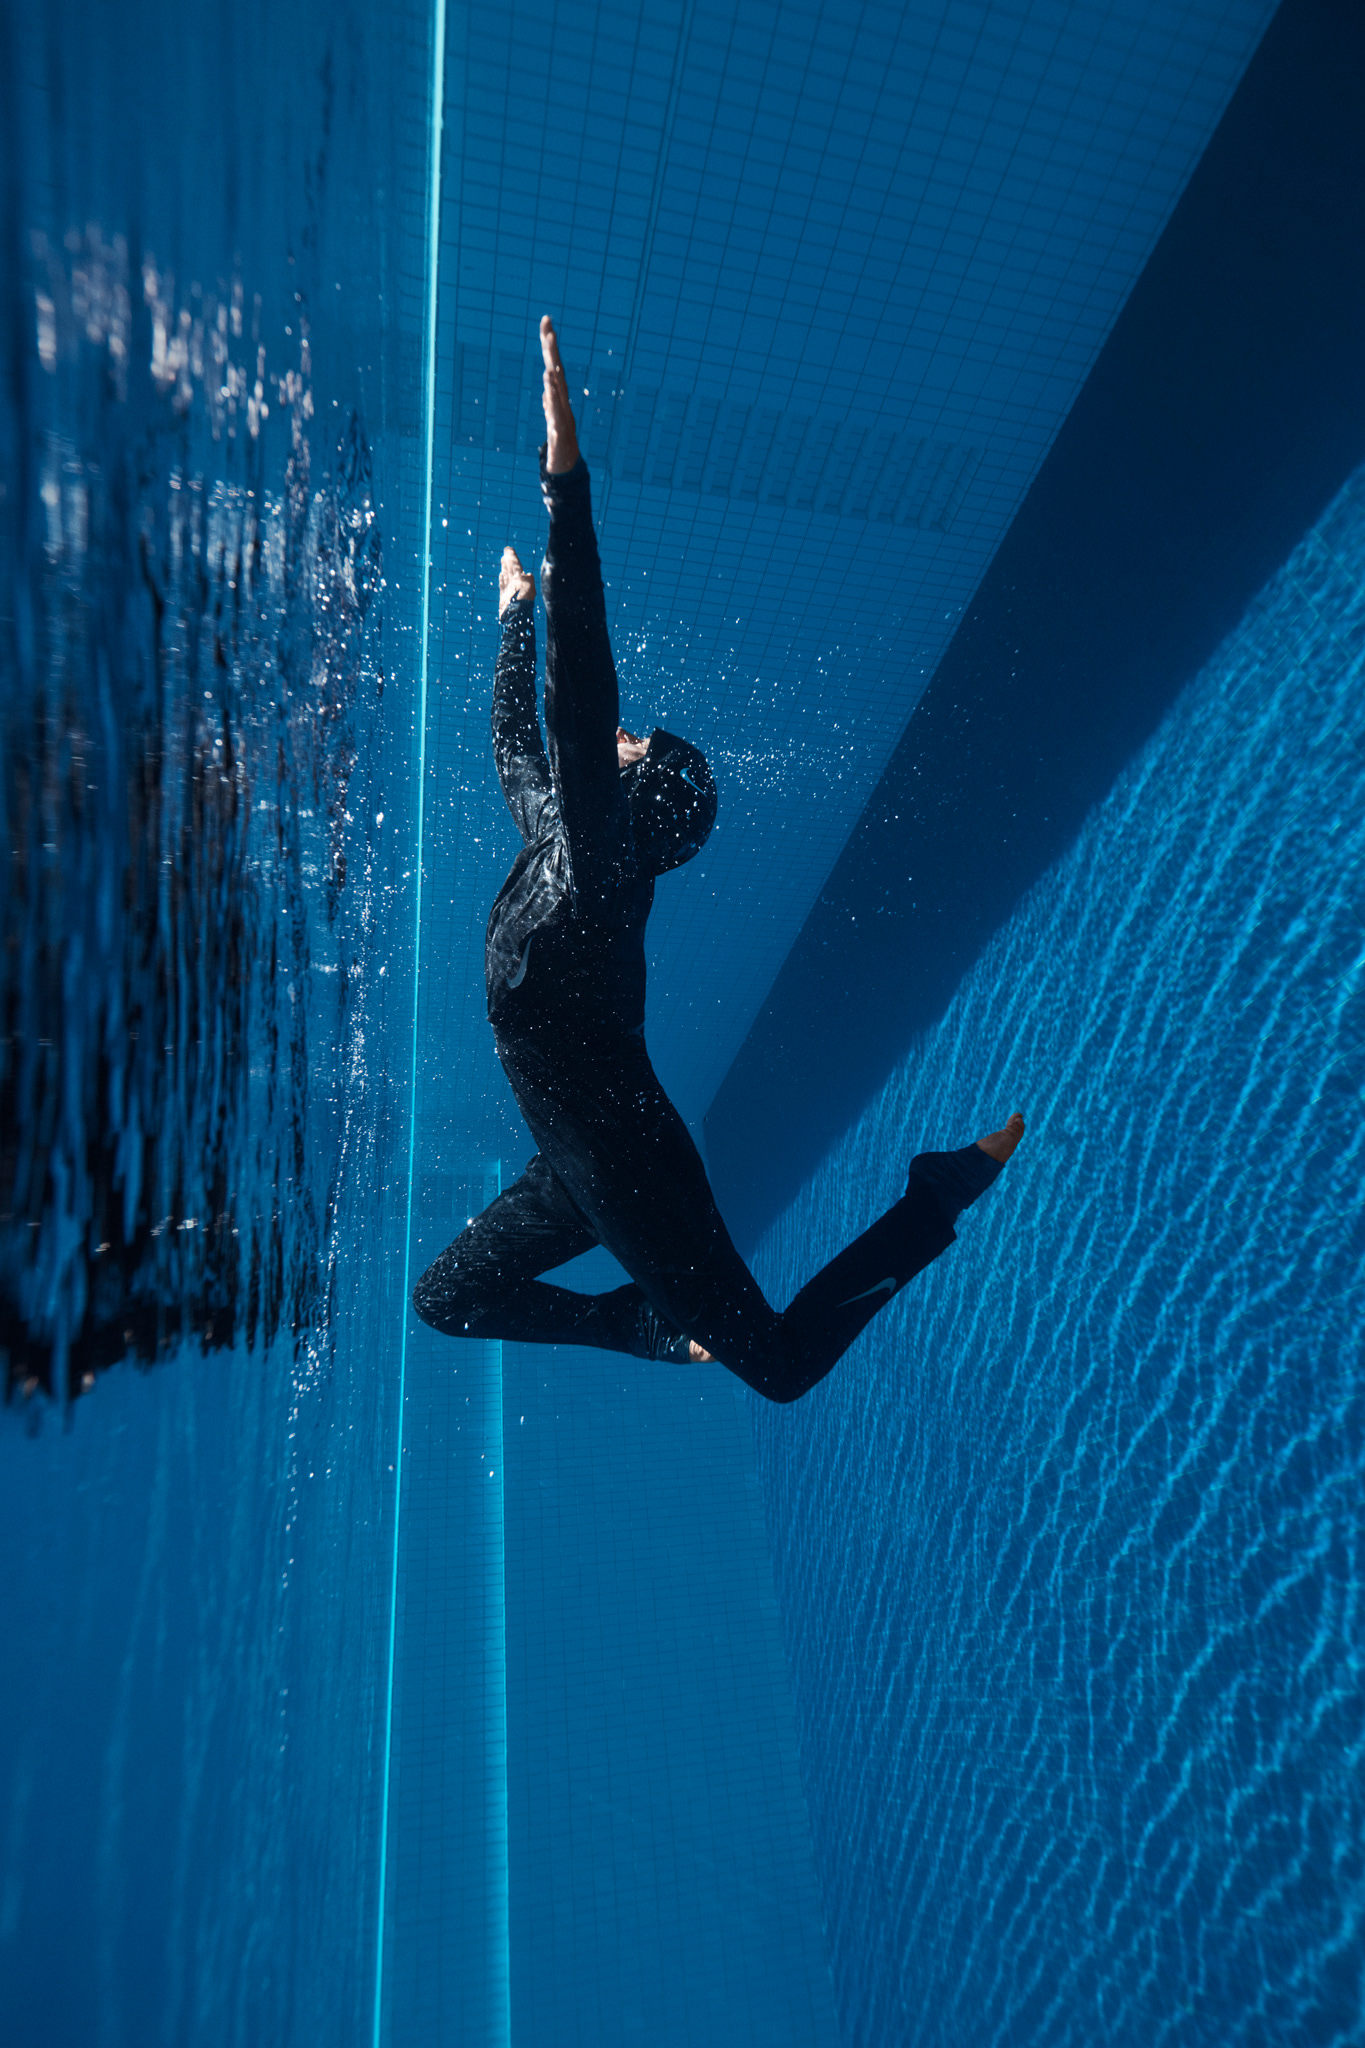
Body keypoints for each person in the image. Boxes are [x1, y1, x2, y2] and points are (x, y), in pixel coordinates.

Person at [412, 316, 1024, 1403]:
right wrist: (511, 615)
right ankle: (637, 1328)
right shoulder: (568, 845)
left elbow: (577, 688)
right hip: (577, 1160)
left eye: (632, 743)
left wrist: (566, 490)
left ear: (636, 790)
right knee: (446, 1299)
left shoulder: (599, 868)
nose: (615, 734)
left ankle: (932, 1199)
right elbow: (516, 746)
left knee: (780, 1367)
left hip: (627, 1173)